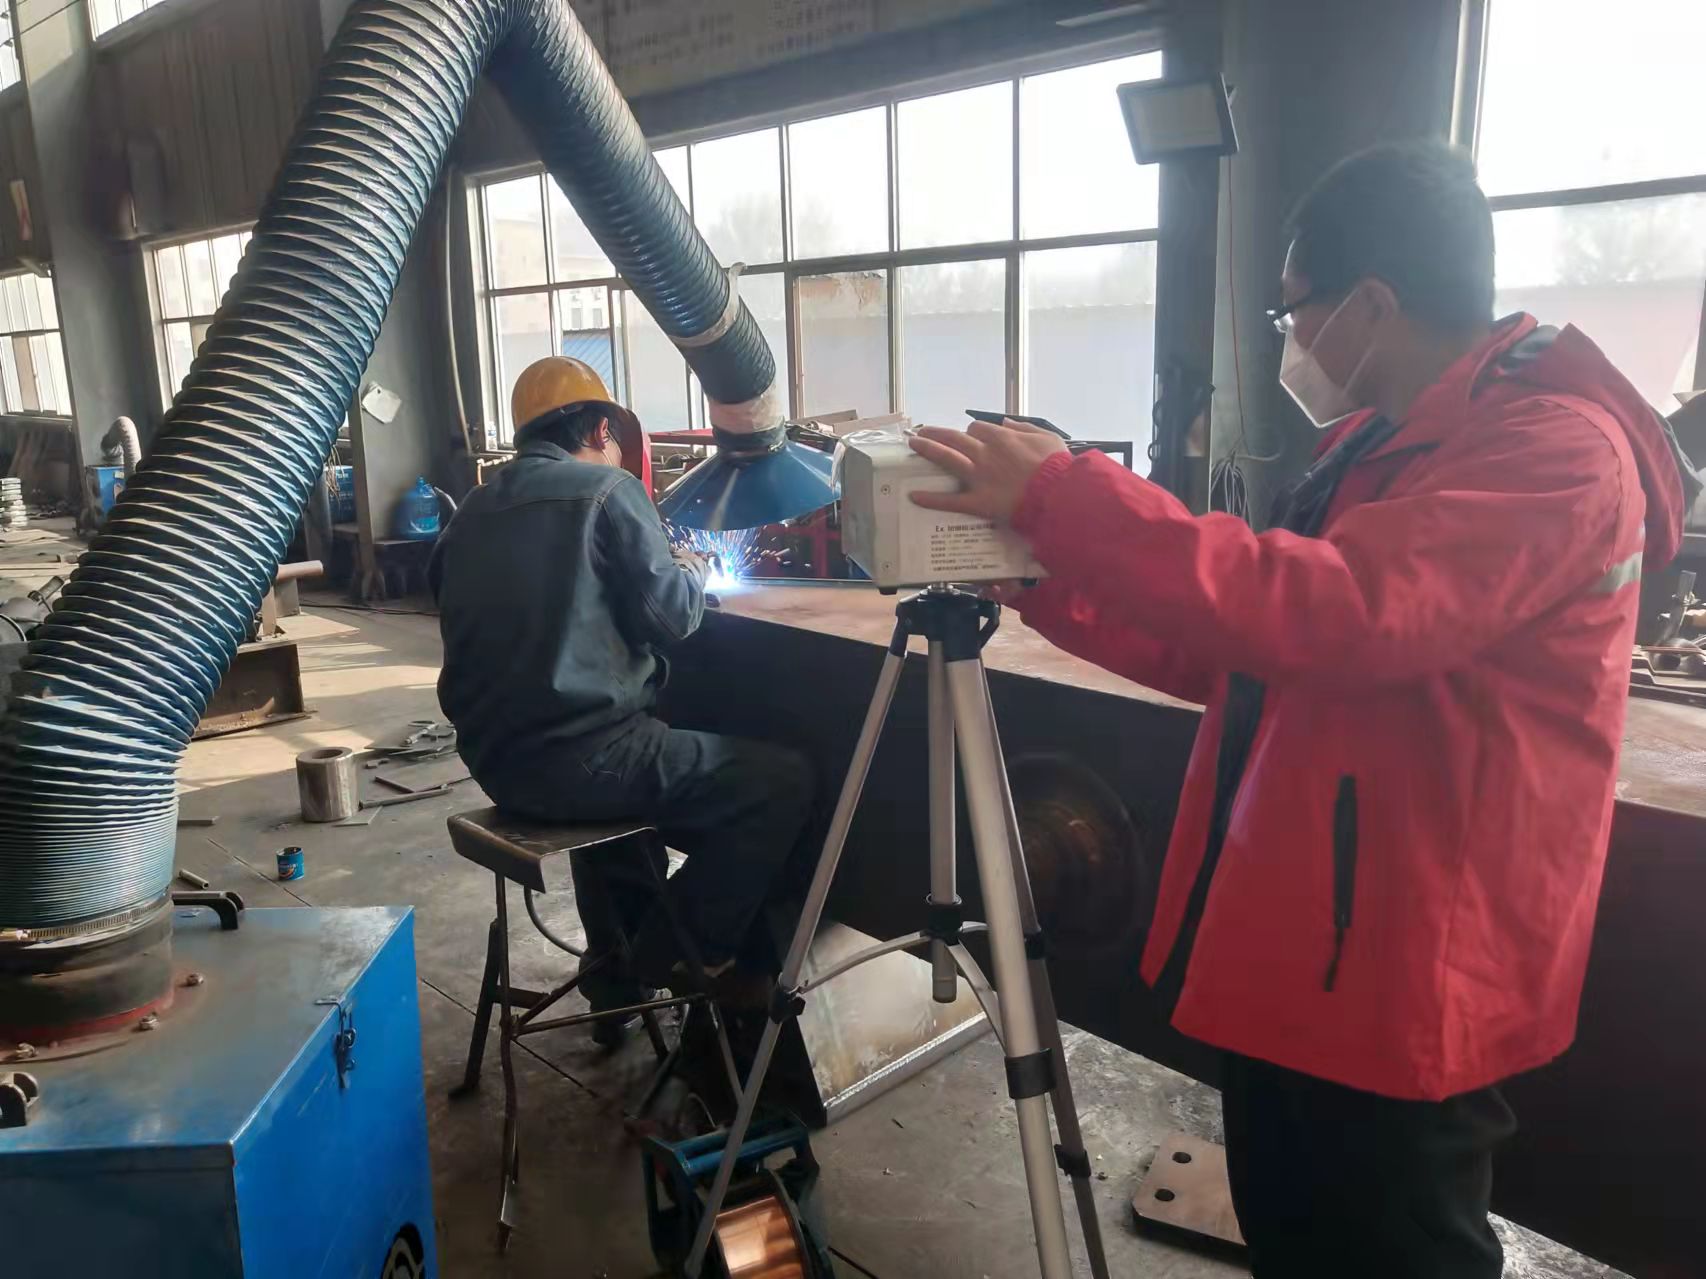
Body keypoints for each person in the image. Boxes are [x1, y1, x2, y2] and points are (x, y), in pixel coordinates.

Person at [909, 142, 1699, 1277]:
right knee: (1297, 1226)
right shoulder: (1383, 446)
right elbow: (1249, 646)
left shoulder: (1553, 452)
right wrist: (1043, 580)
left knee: (1390, 1245)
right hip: (1312, 941)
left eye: (1292, 311)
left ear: (1370, 304)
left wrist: (1066, 491)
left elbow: (1339, 610)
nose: (1289, 339)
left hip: (1410, 963)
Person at [430, 356, 814, 1042]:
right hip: (581, 761)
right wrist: (692, 568)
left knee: (615, 815)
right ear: (600, 429)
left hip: (496, 763)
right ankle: (677, 952)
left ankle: (614, 983)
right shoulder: (607, 490)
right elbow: (672, 617)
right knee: (779, 781)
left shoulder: (471, 510)